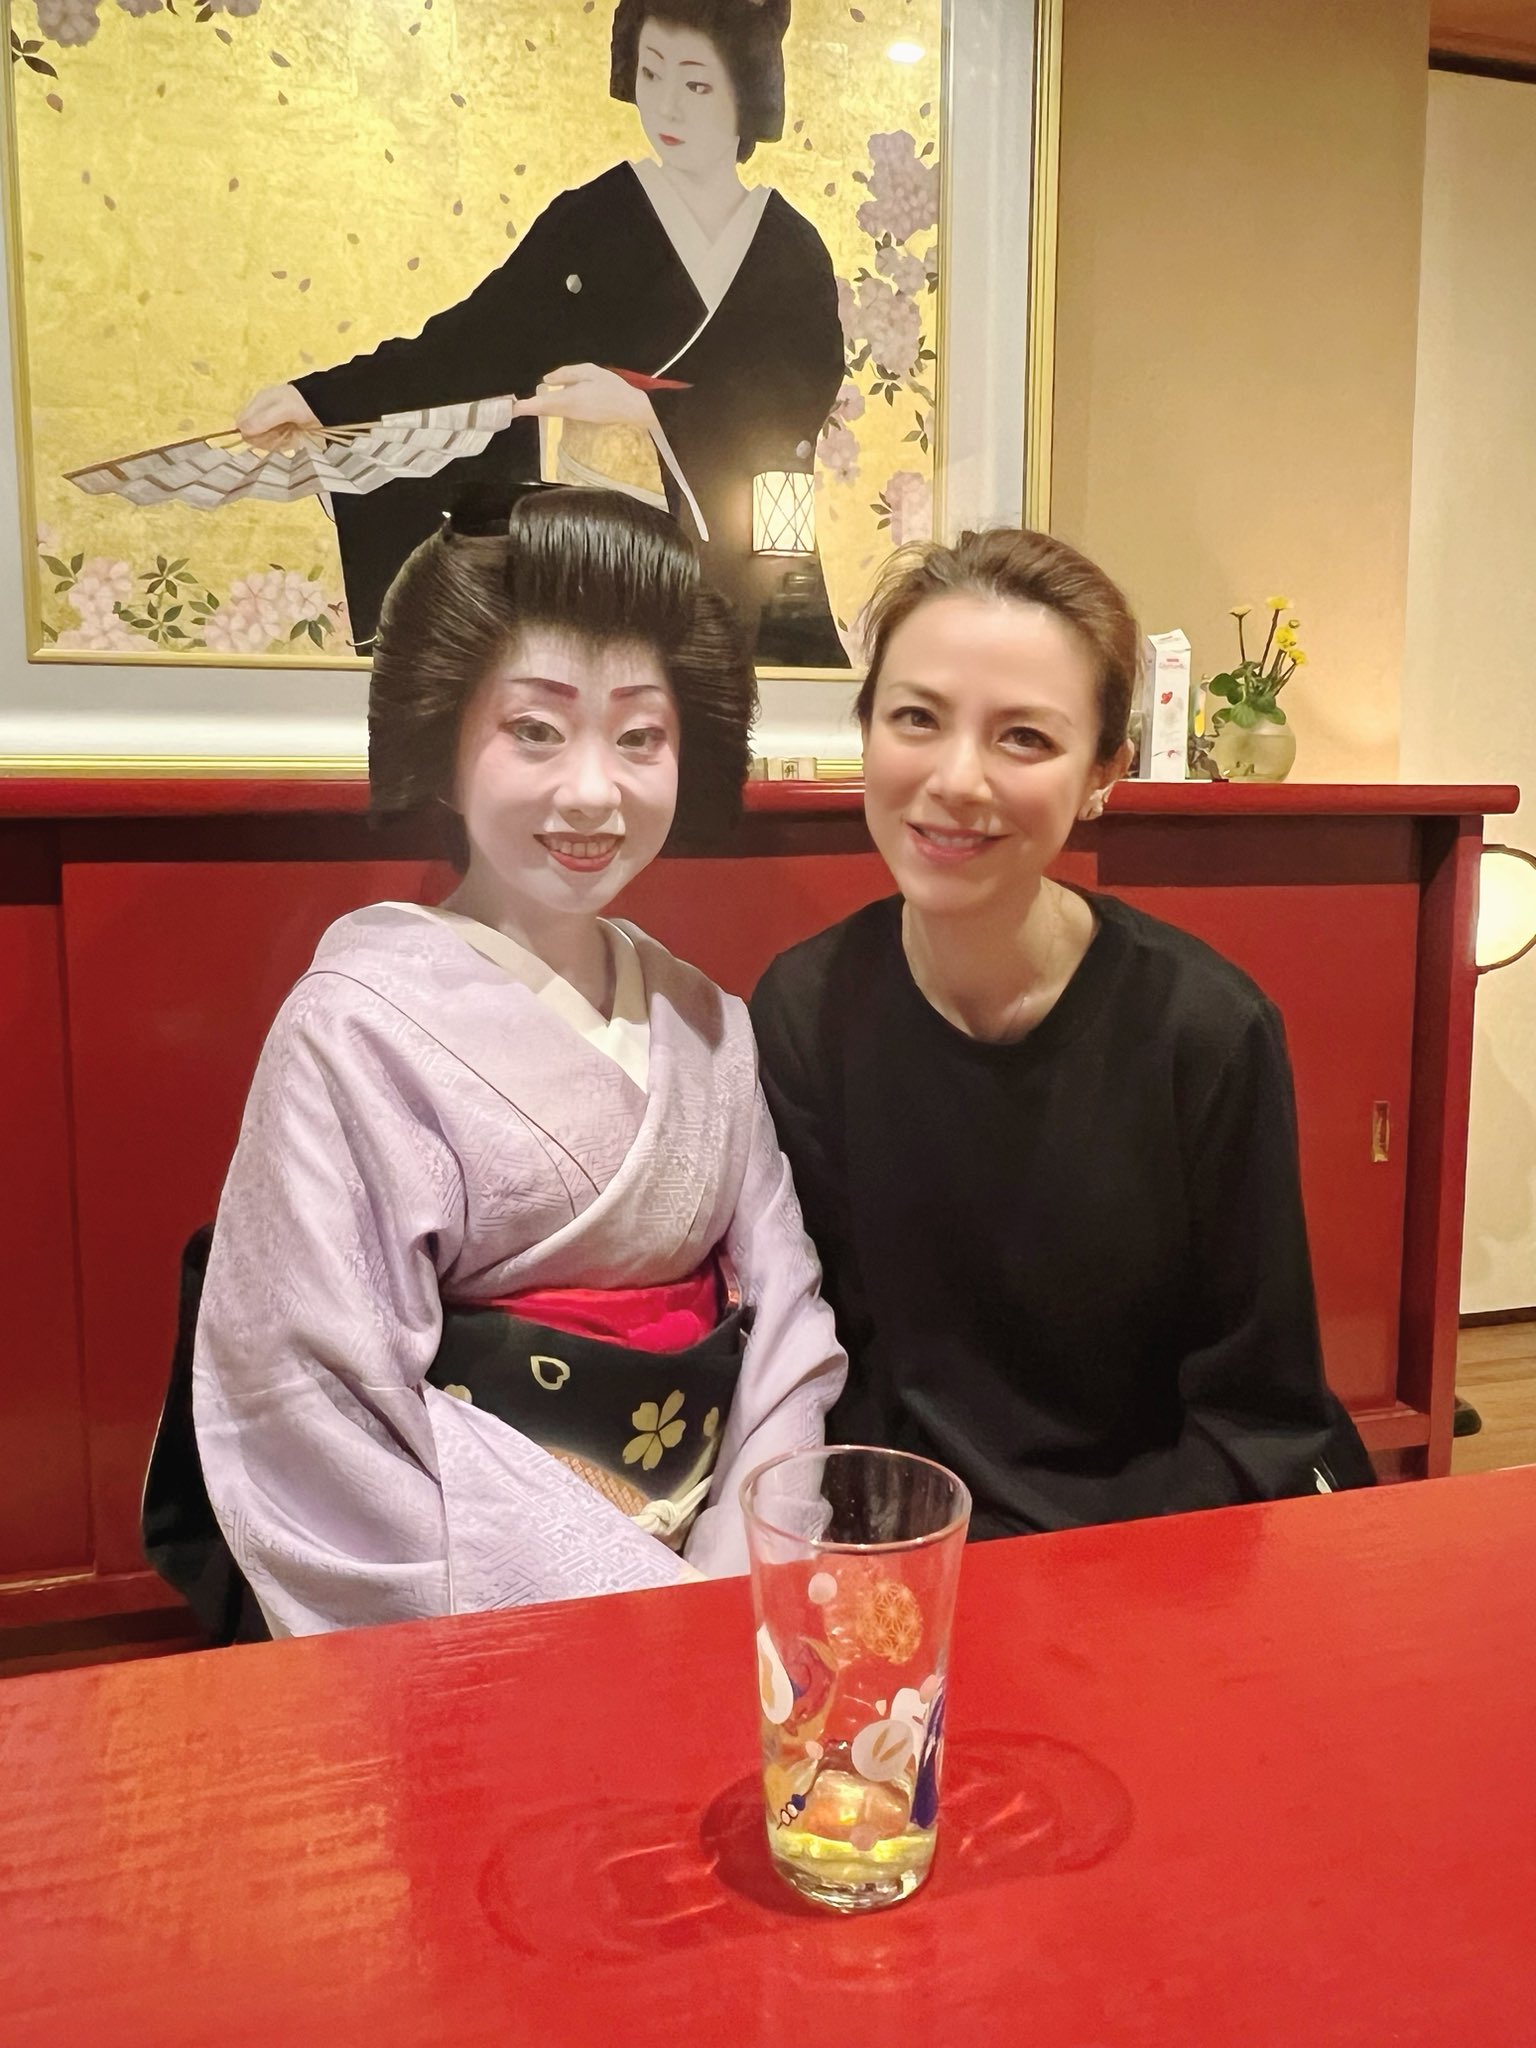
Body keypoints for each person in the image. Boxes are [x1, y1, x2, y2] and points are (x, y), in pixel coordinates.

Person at [190, 487, 845, 1637]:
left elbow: (787, 1325)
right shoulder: (352, 1030)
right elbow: (316, 1408)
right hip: (487, 1611)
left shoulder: (708, 1019)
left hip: (721, 1592)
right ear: (444, 747)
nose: (593, 789)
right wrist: (640, 1609)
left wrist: (741, 1577)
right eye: (536, 730)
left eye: (639, 736)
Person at [749, 527, 1374, 1541]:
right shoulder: (804, 1010)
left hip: (1157, 1545)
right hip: (916, 1551)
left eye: (1025, 738)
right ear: (867, 731)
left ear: (1101, 773)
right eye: (917, 718)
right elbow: (833, 1368)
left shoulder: (1204, 1030)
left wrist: (1092, 1587)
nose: (957, 778)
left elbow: (1257, 1411)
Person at [236, 0, 848, 667]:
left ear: (746, 91)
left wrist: (644, 408)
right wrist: (323, 399)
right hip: (591, 544)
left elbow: (793, 402)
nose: (667, 107)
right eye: (651, 74)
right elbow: (470, 348)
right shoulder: (593, 218)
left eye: (696, 84)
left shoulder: (789, 247)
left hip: (729, 548)